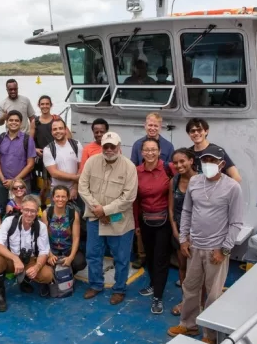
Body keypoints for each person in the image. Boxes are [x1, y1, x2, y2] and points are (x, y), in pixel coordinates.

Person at [168, 146, 244, 344]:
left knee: (213, 294)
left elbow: (236, 223)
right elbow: (186, 212)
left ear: (221, 164)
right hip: (194, 246)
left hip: (216, 250)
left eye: (213, 160)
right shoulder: (194, 182)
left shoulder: (232, 188)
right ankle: (188, 325)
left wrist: (224, 249)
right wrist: (184, 239)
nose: (208, 164)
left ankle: (210, 335)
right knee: (190, 287)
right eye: (205, 160)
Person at [78, 131, 138, 305]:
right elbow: (83, 187)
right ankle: (96, 285)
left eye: (113, 146)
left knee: (121, 257)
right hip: (95, 217)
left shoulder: (129, 167)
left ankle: (119, 289)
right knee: (93, 254)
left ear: (119, 147)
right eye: (106, 146)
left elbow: (128, 197)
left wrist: (105, 211)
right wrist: (97, 210)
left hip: (119, 220)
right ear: (102, 146)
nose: (109, 149)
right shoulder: (91, 162)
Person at [133, 138, 176, 314]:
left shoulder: (169, 168)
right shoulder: (136, 172)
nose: (150, 153)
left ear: (159, 151)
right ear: (141, 152)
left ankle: (158, 296)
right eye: (146, 150)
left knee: (160, 258)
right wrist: (136, 224)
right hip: (145, 220)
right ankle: (153, 283)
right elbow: (135, 201)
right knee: (149, 256)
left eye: (153, 150)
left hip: (164, 220)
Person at [0, 195, 52, 312]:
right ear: (21, 209)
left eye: (33, 211)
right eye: (27, 210)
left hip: (30, 259)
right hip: (11, 260)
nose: (29, 214)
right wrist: (15, 258)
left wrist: (37, 266)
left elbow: (44, 251)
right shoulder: (9, 221)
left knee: (47, 275)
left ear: (37, 211)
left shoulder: (41, 227)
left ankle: (25, 279)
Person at [167, 148, 199, 316]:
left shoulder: (202, 180)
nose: (179, 165)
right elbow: (171, 209)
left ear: (191, 161)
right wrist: (176, 231)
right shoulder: (174, 181)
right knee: (183, 267)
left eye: (182, 161)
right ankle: (186, 300)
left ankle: (201, 303)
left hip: (199, 233)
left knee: (200, 270)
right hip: (180, 231)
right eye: (176, 162)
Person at [0, 110, 37, 215]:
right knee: (1, 209)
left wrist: (14, 181)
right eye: (11, 120)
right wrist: (3, 179)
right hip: (3, 183)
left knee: (25, 209)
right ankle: (3, 230)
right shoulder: (0, 138)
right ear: (6, 122)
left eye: (16, 120)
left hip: (22, 183)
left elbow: (30, 164)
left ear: (21, 123)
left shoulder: (27, 139)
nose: (13, 122)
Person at [41, 185, 87, 276]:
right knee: (46, 267)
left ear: (67, 198)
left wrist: (71, 257)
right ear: (53, 198)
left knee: (80, 263)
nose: (60, 199)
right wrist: (49, 254)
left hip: (67, 249)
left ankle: (70, 272)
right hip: (51, 250)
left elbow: (76, 237)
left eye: (63, 197)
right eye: (57, 196)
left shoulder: (73, 214)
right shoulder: (46, 213)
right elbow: (43, 237)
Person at [43, 118, 82, 212]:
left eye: (60, 128)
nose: (58, 131)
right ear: (51, 132)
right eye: (55, 129)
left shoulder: (76, 145)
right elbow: (54, 173)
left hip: (75, 190)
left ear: (65, 130)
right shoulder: (48, 149)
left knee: (77, 218)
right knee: (57, 221)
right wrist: (76, 178)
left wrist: (75, 188)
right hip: (57, 193)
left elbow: (80, 167)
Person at [185, 118, 242, 182]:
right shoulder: (187, 153)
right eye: (192, 131)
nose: (196, 133)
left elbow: (236, 177)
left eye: (199, 130)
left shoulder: (217, 151)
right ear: (188, 134)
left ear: (206, 131)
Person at [33, 95, 56, 207]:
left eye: (47, 104)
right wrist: (35, 149)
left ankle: (54, 207)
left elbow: (68, 136)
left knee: (53, 185)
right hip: (42, 158)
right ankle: (40, 207)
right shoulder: (35, 121)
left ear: (51, 105)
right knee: (45, 186)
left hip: (56, 158)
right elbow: (29, 141)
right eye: (42, 104)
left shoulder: (56, 120)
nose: (45, 106)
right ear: (39, 105)